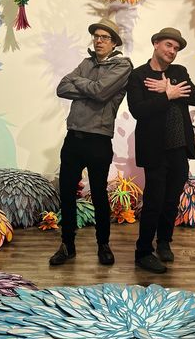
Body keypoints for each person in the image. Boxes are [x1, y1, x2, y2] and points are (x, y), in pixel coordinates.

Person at [49, 18, 133, 266]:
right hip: (73, 138)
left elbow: (101, 92)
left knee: (98, 194)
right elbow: (62, 88)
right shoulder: (86, 63)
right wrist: (92, 87)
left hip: (99, 140)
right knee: (66, 193)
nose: (98, 41)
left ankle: (103, 244)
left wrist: (84, 85)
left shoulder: (122, 66)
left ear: (114, 42)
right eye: (96, 36)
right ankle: (67, 245)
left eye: (104, 37)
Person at [127, 27, 195, 273]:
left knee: (171, 200)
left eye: (176, 48)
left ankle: (164, 242)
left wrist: (171, 88)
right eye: (169, 45)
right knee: (154, 201)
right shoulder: (139, 75)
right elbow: (138, 110)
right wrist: (167, 95)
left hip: (179, 148)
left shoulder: (178, 72)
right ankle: (143, 252)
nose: (172, 51)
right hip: (155, 149)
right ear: (156, 43)